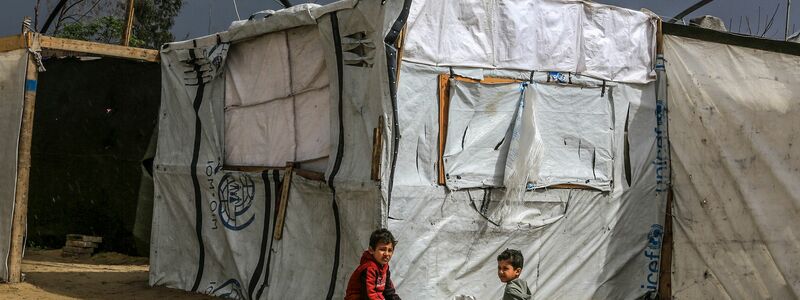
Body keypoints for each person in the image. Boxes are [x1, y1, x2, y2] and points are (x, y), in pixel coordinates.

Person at [344, 228, 401, 300]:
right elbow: (369, 295)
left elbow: (388, 291)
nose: (386, 254)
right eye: (382, 249)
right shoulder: (369, 268)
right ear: (371, 250)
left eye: (390, 250)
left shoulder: (384, 267)